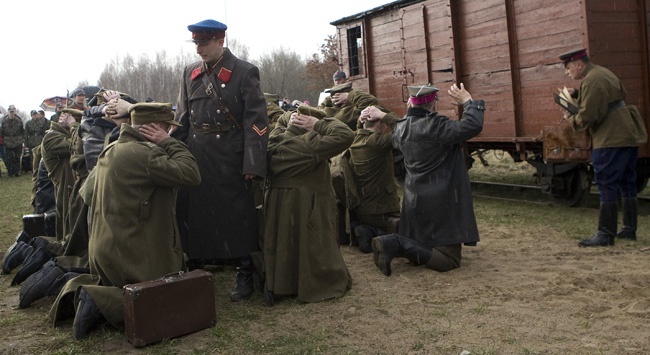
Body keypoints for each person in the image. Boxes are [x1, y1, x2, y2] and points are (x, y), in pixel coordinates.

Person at [48, 102, 201, 340]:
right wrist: (167, 142)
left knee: (125, 284)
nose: (170, 132)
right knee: (163, 297)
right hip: (130, 253)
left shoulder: (110, 150)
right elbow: (191, 173)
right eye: (167, 128)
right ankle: (98, 300)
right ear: (156, 128)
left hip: (105, 250)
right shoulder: (147, 154)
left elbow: (86, 195)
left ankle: (79, 288)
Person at [171, 19, 269, 302]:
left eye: (204, 43)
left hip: (230, 153)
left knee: (237, 215)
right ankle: (196, 267)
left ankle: (244, 271)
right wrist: (171, 148)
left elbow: (256, 121)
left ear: (220, 41)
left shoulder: (244, 71)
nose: (199, 49)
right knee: (194, 211)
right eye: (196, 43)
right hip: (197, 152)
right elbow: (182, 117)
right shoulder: (190, 72)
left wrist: (252, 162)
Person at [371, 83, 485, 276]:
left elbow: (400, 125)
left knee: (423, 242)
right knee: (449, 260)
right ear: (433, 104)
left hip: (414, 198)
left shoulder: (400, 129)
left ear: (410, 103)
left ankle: (400, 242)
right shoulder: (437, 126)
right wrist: (467, 101)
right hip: (440, 201)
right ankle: (396, 243)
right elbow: (472, 125)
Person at [263, 104, 353, 305]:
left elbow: (279, 122)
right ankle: (309, 284)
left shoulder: (273, 141)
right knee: (309, 246)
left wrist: (289, 118)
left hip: (278, 201)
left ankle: (278, 284)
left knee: (282, 243)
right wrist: (318, 124)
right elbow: (345, 134)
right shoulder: (311, 143)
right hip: (306, 202)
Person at [558, 48, 648, 247]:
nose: (568, 72)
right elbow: (609, 94)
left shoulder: (591, 80)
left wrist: (571, 118)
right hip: (627, 134)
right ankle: (628, 230)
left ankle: (605, 234)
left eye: (568, 68)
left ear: (579, 65)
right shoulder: (602, 72)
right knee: (627, 182)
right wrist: (578, 93)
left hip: (610, 138)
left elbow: (589, 116)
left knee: (606, 181)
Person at [346, 105, 402, 253]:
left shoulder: (354, 139)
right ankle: (382, 236)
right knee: (414, 229)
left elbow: (361, 131)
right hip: (384, 211)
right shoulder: (377, 141)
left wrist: (361, 121)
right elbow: (405, 130)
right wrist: (384, 115)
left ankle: (367, 231)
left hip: (363, 210)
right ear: (379, 123)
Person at [0, 105, 25, 177]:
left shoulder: (19, 120)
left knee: (17, 157)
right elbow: (2, 132)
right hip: (8, 142)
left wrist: (21, 140)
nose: (11, 113)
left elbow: (22, 131)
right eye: (10, 112)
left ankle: (17, 172)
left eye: (13, 112)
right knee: (9, 158)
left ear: (15, 112)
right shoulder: (4, 121)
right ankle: (10, 172)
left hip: (17, 141)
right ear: (8, 112)